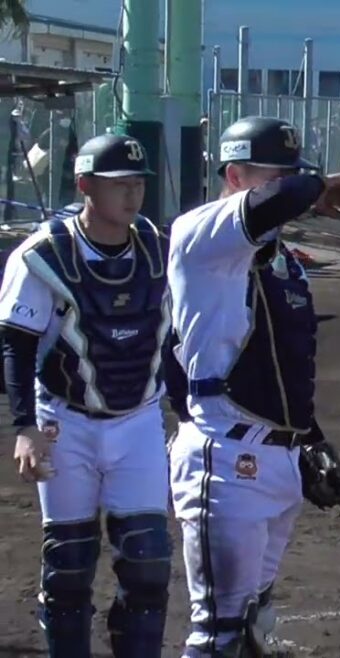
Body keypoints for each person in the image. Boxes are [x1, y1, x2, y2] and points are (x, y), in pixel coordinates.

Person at [165, 116, 340, 657]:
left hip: (278, 460)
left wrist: (309, 438)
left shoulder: (285, 264)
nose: (288, 186)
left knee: (255, 622)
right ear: (234, 175)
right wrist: (317, 185)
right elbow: (284, 197)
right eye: (273, 175)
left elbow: (287, 362)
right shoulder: (201, 235)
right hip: (225, 457)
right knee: (218, 632)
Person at [0, 133, 172, 657]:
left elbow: (176, 336)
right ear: (84, 186)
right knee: (70, 565)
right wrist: (25, 428)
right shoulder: (44, 254)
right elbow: (16, 345)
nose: (132, 194)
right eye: (118, 183)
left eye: (138, 183)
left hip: (139, 419)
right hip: (65, 423)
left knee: (147, 563)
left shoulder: (159, 246)